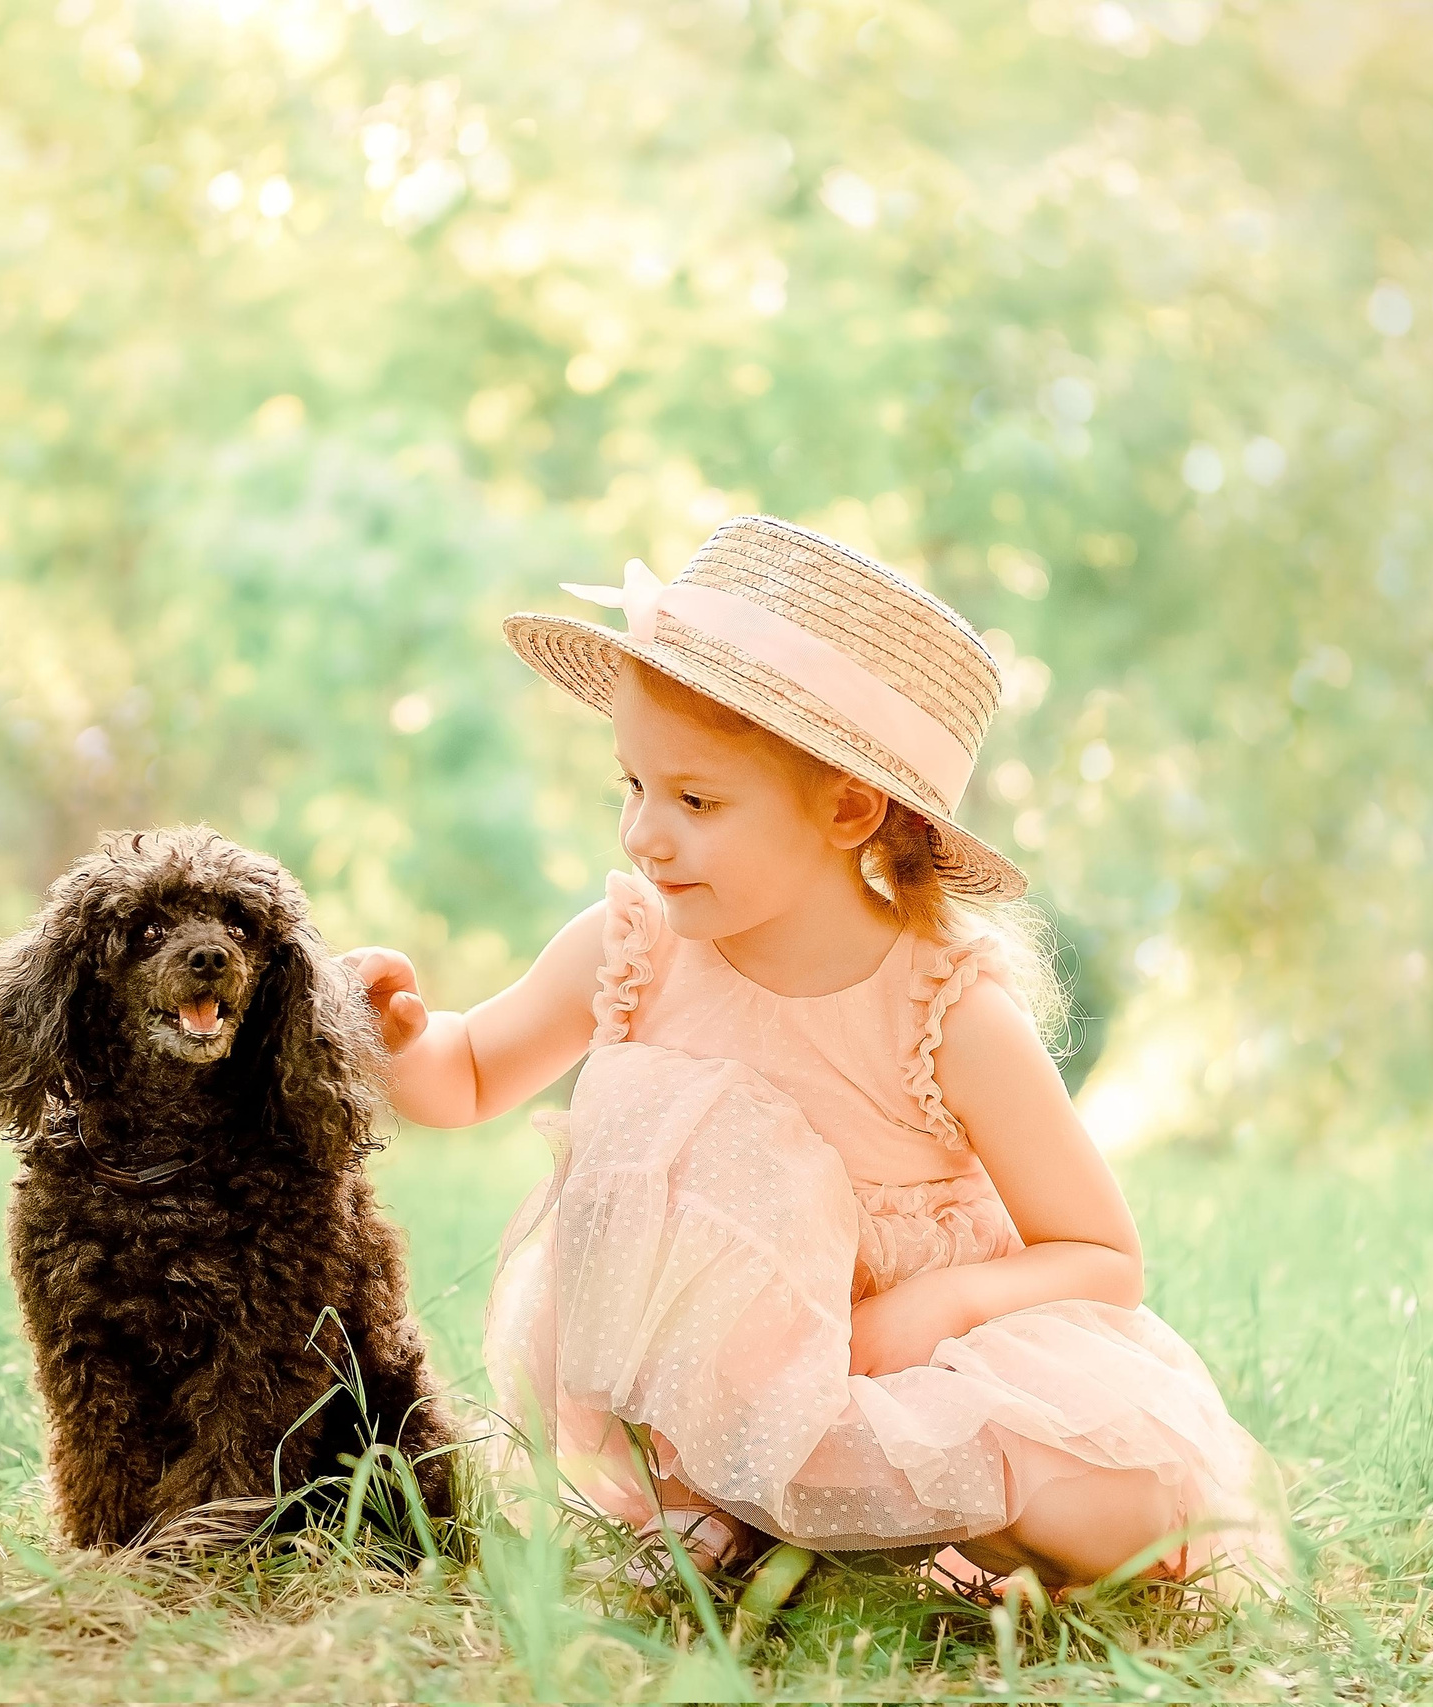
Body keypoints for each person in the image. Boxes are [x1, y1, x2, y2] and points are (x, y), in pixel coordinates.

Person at [343, 515, 1280, 1590]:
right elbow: (469, 1074)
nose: (644, 834)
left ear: (847, 807)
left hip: (897, 1364)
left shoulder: (946, 1008)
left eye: (694, 799)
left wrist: (939, 1307)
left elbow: (1102, 1254)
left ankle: (875, 1524)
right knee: (673, 1134)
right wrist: (400, 1036)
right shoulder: (633, 942)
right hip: (712, 1383)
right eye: (633, 785)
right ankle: (719, 1510)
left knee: (1129, 1507)